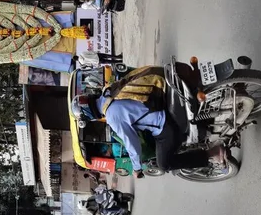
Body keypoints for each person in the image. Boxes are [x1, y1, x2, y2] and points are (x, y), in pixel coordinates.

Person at [97, 68, 226, 176]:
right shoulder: (108, 90)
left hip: (164, 123)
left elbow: (133, 145)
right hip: (164, 95)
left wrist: (136, 168)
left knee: (164, 164)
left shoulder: (111, 116)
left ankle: (213, 152)